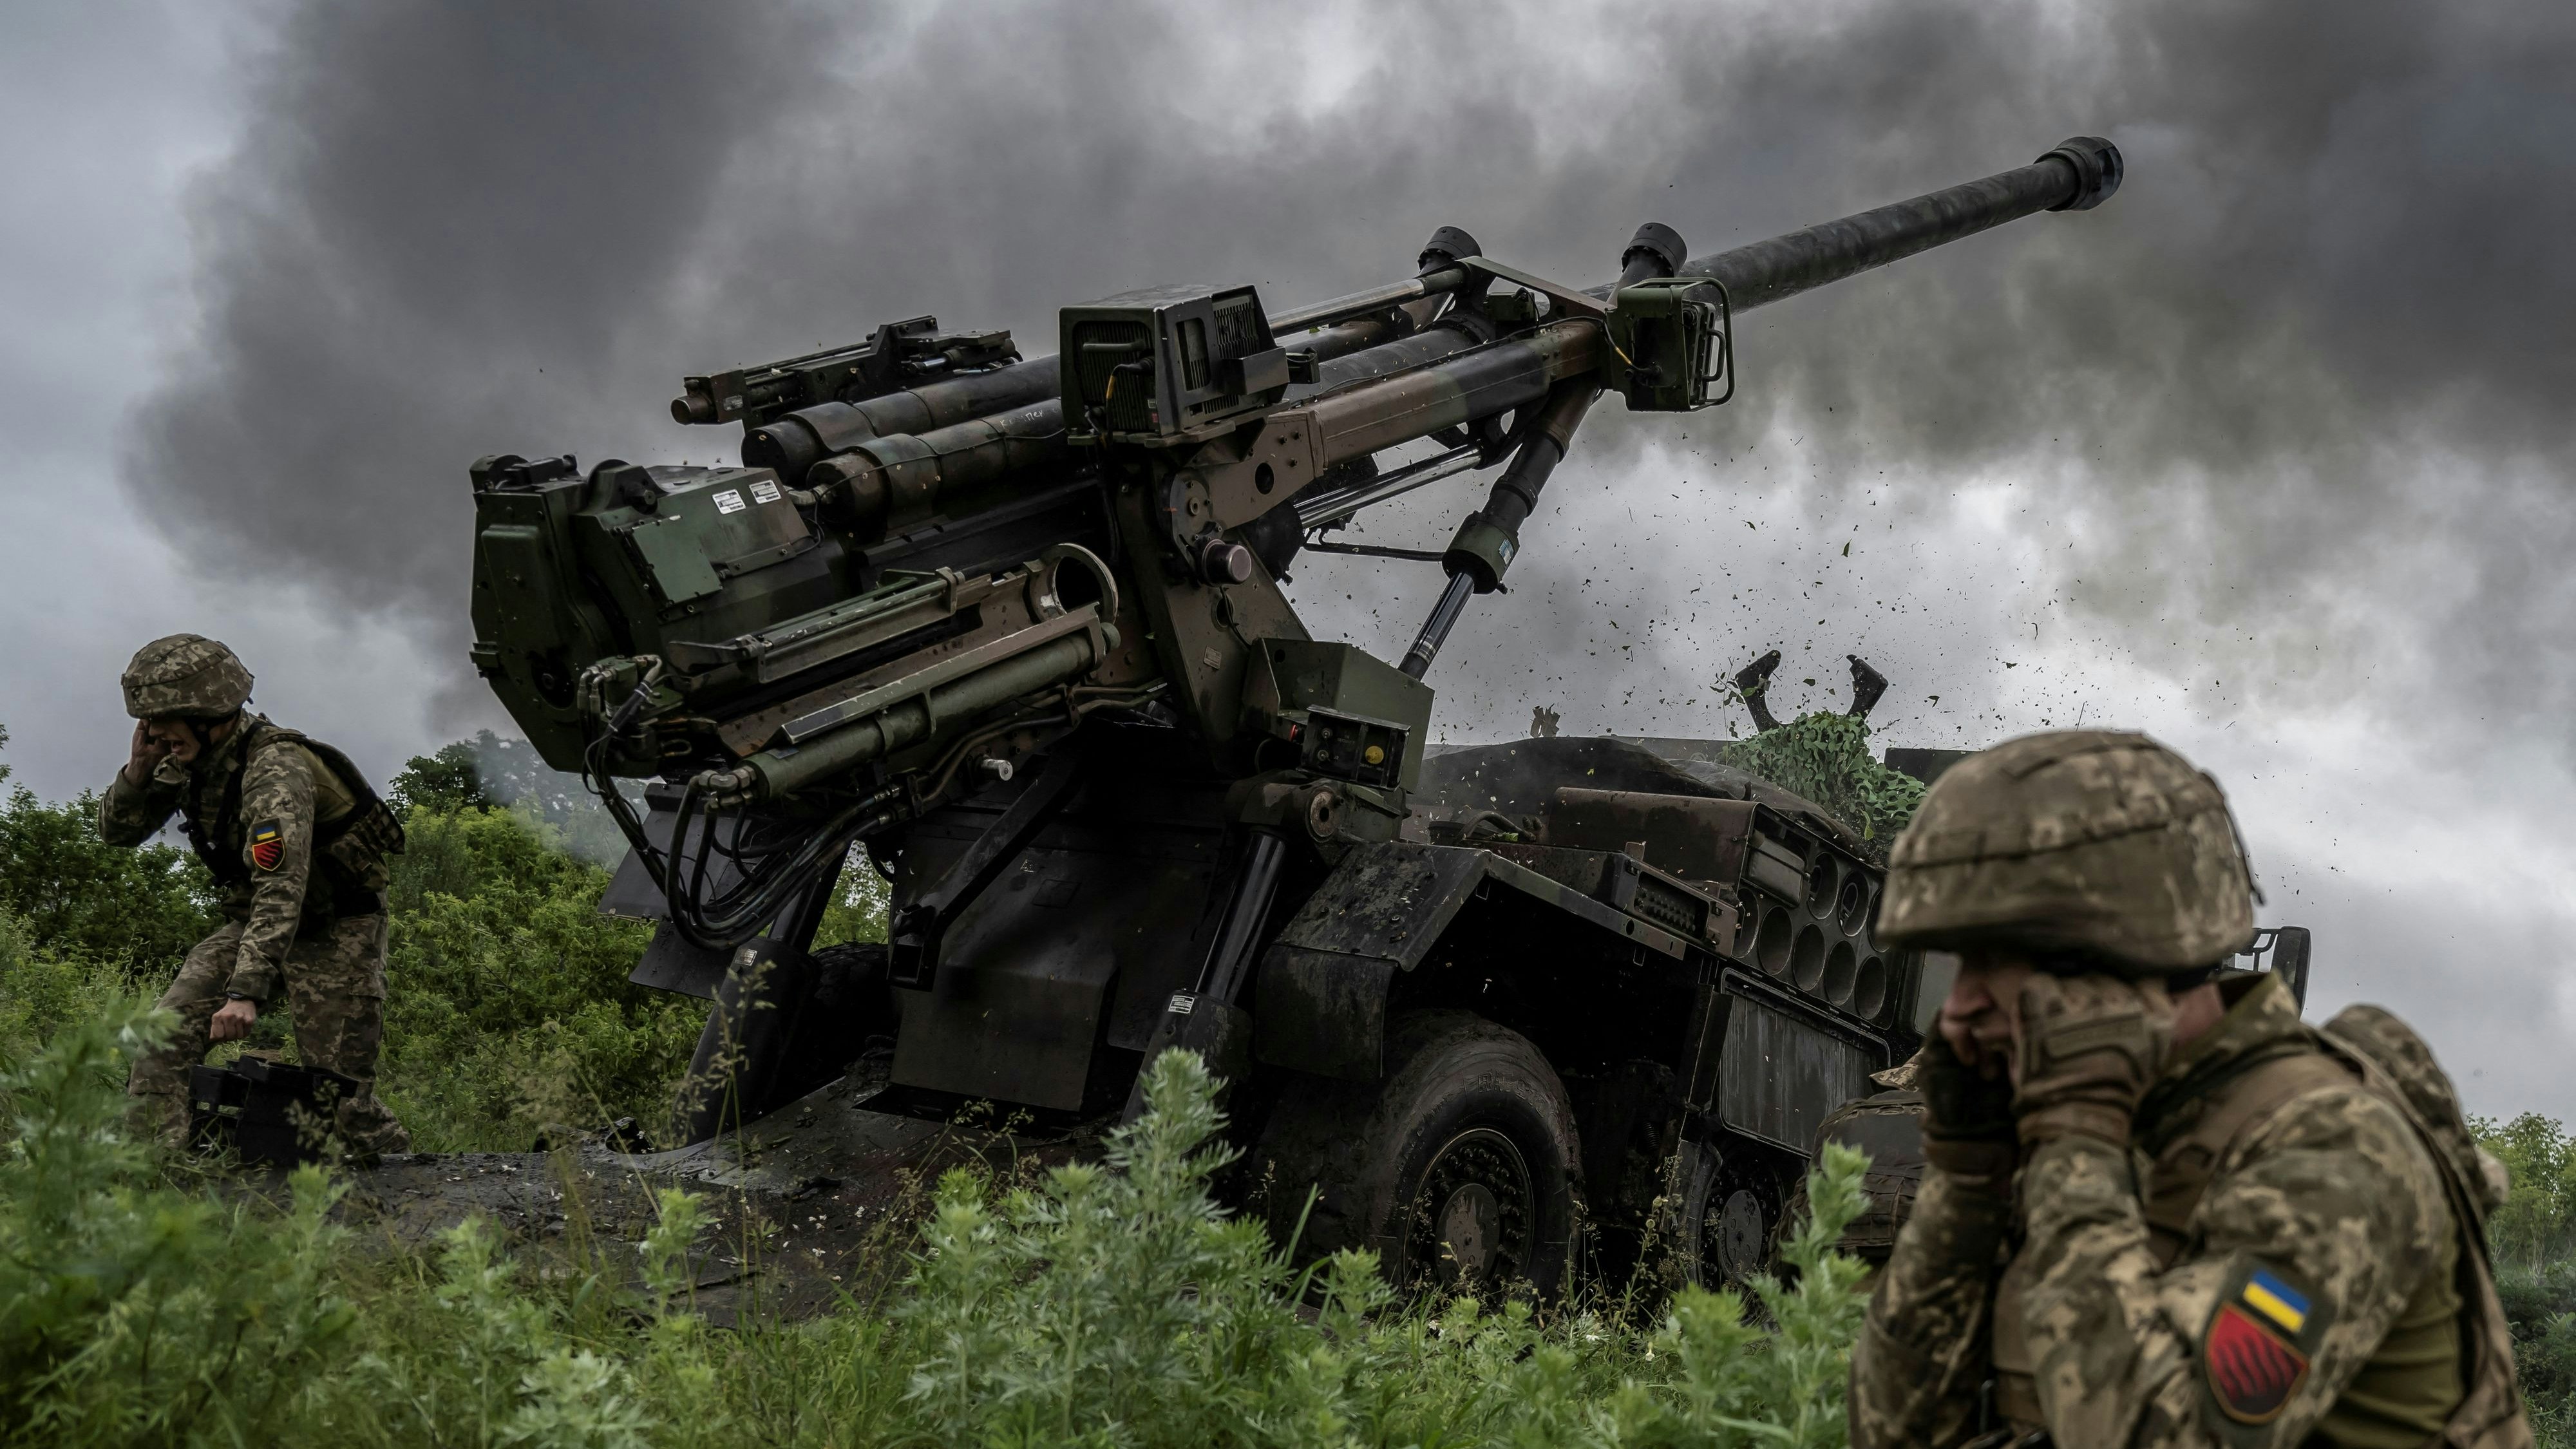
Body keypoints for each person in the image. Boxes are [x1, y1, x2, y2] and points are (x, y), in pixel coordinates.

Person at [1848, 729, 2526, 1449]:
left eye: (1994, 964)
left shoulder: (2333, 1152)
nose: (1958, 1008)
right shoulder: (2107, 1125)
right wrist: (1969, 1183)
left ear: (2121, 955)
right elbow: (1897, 1433)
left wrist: (2074, 1141)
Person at [100, 634, 411, 1158]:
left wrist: (244, 991)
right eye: (147, 722)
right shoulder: (187, 760)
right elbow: (119, 833)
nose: (152, 732)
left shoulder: (275, 770)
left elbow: (281, 886)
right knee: (162, 1037)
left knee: (338, 1099)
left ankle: (416, 1184)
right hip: (257, 924)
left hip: (335, 929)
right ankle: (150, 1176)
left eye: (162, 720)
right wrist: (137, 772)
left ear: (206, 713)